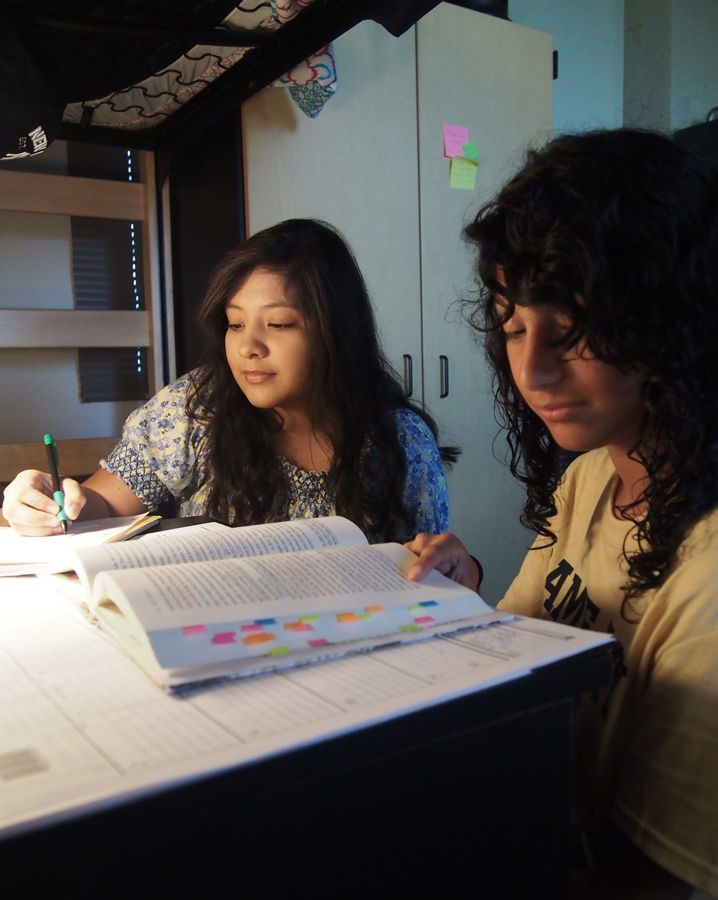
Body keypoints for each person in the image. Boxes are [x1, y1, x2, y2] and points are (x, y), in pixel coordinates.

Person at [407, 129, 718, 898]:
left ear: (672, 319)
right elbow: (517, 651)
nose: (532, 370)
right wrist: (456, 594)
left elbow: (651, 881)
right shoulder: (588, 480)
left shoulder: (709, 577)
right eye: (513, 327)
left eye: (572, 327)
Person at [3, 218, 453, 543]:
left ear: (337, 331)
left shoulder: (399, 441)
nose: (247, 347)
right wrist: (48, 503)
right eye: (235, 324)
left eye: (278, 325)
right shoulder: (193, 410)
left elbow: (429, 571)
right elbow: (99, 507)